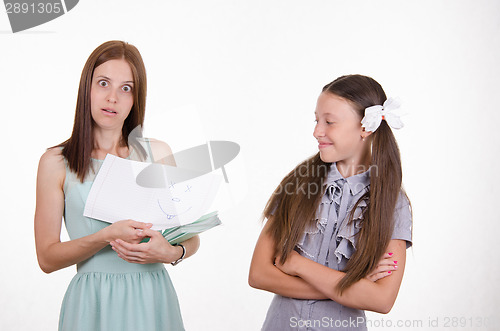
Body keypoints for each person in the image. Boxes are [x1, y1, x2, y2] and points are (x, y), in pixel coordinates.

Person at [34, 40, 198, 331]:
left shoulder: (157, 154)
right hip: (91, 302)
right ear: (87, 88)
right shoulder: (56, 162)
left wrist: (170, 253)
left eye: (126, 88)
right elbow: (46, 258)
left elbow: (191, 238)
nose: (112, 98)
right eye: (103, 83)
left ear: (136, 98)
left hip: (153, 297)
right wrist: (104, 236)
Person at [249, 74, 412, 330]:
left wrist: (297, 265)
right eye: (316, 120)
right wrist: (350, 284)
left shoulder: (392, 202)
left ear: (365, 127)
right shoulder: (299, 183)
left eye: (329, 122)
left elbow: (381, 299)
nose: (317, 131)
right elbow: (259, 274)